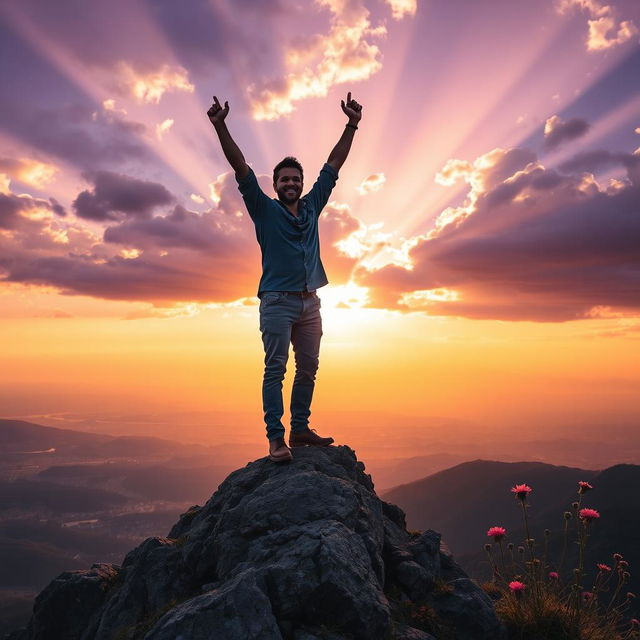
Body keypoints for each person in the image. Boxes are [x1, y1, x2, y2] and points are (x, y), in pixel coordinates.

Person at [207, 92, 362, 462]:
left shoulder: (312, 206)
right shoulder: (263, 209)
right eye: (284, 180)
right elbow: (240, 166)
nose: (290, 183)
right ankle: (276, 439)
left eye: (295, 179)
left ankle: (300, 428)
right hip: (276, 301)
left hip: (311, 302)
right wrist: (220, 125)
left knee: (308, 369)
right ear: (275, 185)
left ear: (301, 183)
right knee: (275, 369)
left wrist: (352, 124)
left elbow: (334, 164)